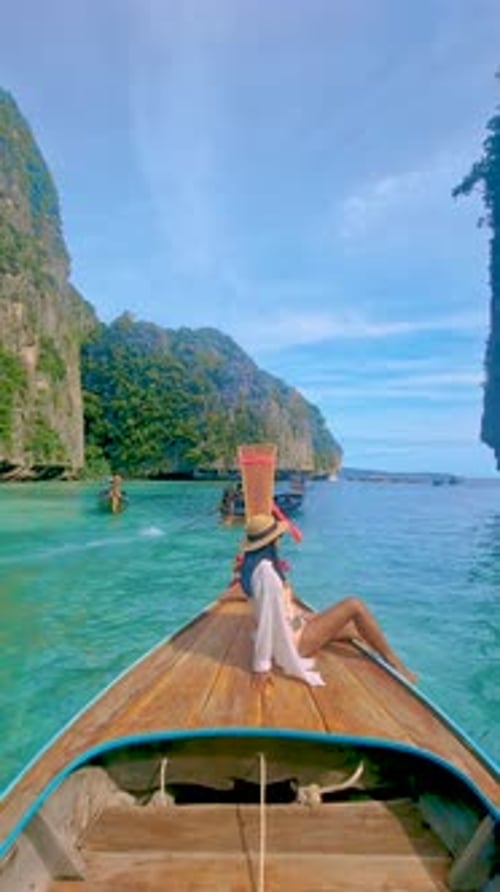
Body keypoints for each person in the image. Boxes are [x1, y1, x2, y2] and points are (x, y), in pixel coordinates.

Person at [239, 513, 417, 691]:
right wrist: (261, 667)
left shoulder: (257, 567)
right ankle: (394, 663)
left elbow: (276, 611)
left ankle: (380, 661)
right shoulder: (267, 574)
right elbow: (267, 621)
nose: (280, 540)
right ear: (271, 541)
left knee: (354, 630)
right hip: (294, 642)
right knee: (354, 605)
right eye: (279, 537)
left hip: (293, 628)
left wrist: (304, 616)